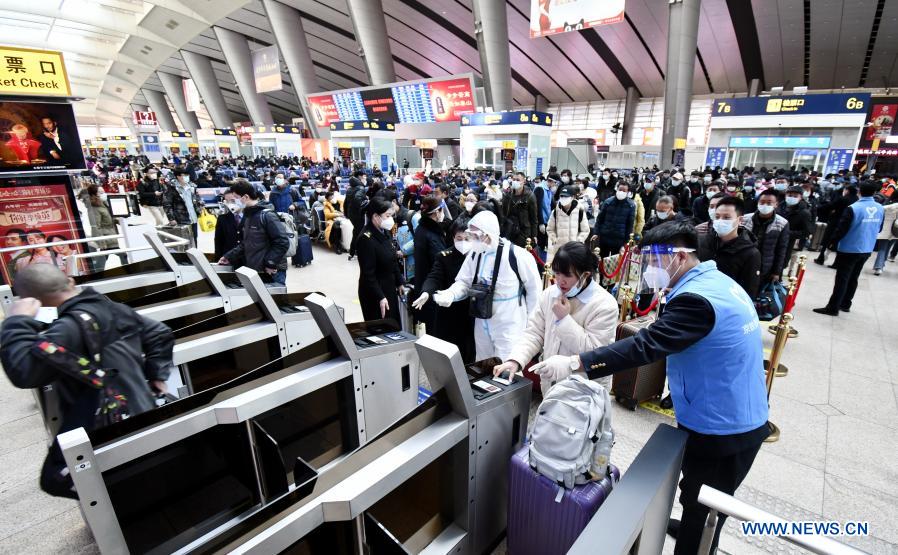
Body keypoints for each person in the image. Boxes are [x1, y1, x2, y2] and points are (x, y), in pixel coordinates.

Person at [530, 221, 768, 555]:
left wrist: (575, 363)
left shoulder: (697, 301)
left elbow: (644, 346)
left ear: (680, 257)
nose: (649, 270)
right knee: (696, 490)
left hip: (724, 424)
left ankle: (694, 542)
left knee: (705, 504)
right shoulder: (717, 282)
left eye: (654, 261)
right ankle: (690, 523)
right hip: (726, 406)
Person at [0, 263, 174, 498]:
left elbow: (24, 372)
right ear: (70, 281)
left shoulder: (69, 327)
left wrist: (17, 321)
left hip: (106, 421)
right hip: (140, 405)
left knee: (55, 479)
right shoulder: (113, 308)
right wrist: (156, 376)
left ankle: (117, 501)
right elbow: (160, 333)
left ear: (33, 301)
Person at [492, 241, 618, 396]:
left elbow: (593, 353)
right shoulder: (550, 294)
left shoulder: (604, 305)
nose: (560, 281)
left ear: (585, 274)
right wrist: (516, 360)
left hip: (585, 391)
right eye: (557, 273)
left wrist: (563, 320)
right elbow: (534, 333)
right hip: (551, 385)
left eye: (567, 275)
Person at [427, 210, 540, 360]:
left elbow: (535, 291)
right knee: (482, 365)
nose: (472, 240)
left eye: (475, 236)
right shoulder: (475, 254)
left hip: (509, 321)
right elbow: (464, 282)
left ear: (489, 234)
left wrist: (531, 326)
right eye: (471, 235)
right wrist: (451, 294)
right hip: (482, 319)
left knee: (506, 368)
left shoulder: (517, 255)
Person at [814, 181, 885, 316]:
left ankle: (833, 307)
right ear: (874, 193)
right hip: (867, 248)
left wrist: (832, 243)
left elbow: (842, 229)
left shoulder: (854, 208)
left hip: (849, 248)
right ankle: (846, 303)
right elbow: (880, 228)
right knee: (854, 277)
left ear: (859, 191)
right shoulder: (880, 208)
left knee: (842, 278)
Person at [414, 216, 476, 362]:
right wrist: (426, 292)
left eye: (467, 238)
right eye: (458, 238)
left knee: (471, 355)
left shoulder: (479, 257)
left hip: (472, 314)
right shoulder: (444, 256)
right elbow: (434, 277)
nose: (463, 242)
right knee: (448, 356)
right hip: (449, 313)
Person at [219, 180, 290, 285]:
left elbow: (282, 241)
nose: (233, 203)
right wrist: (229, 256)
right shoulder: (249, 215)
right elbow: (247, 243)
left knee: (274, 300)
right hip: (256, 269)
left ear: (246, 197)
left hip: (271, 271)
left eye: (235, 199)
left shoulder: (267, 215)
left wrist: (270, 263)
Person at [699, 196, 761, 298]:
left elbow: (749, 291)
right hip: (700, 298)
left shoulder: (750, 253)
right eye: (717, 217)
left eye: (727, 217)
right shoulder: (702, 241)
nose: (720, 221)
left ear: (740, 220)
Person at [356, 196, 404, 323]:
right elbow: (368, 274)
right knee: (381, 331)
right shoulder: (366, 239)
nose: (391, 220)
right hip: (374, 292)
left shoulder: (384, 231)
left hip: (388, 286)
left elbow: (391, 258)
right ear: (376, 217)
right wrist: (380, 297)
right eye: (387, 216)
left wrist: (399, 282)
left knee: (394, 326)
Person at [413, 196, 449, 332]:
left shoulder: (422, 228)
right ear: (436, 212)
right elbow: (439, 263)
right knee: (435, 329)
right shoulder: (431, 235)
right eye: (441, 210)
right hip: (431, 288)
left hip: (424, 283)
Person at [742, 189, 790, 284]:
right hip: (744, 263)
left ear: (776, 204)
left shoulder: (782, 223)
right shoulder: (745, 219)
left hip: (765, 267)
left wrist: (776, 272)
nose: (765, 205)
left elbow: (781, 249)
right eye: (762, 202)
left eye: (769, 203)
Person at [82, 185, 125, 272]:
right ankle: (130, 270)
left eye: (103, 191)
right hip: (105, 237)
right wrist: (101, 241)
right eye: (101, 192)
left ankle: (96, 273)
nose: (103, 194)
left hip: (110, 234)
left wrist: (117, 220)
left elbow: (107, 218)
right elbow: (95, 226)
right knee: (122, 255)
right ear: (94, 194)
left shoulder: (103, 203)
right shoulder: (93, 208)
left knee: (104, 257)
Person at [814, 184, 858, 266]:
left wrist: (818, 208)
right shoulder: (856, 200)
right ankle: (837, 263)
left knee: (827, 240)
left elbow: (831, 205)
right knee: (840, 242)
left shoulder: (843, 199)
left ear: (847, 190)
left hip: (835, 221)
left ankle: (821, 259)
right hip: (848, 224)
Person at [546, 185, 589, 261]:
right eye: (562, 196)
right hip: (558, 250)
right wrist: (554, 239)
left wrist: (578, 241)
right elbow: (549, 229)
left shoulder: (580, 211)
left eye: (566, 197)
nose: (563, 199)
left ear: (573, 197)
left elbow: (585, 230)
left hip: (574, 250)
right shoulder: (555, 211)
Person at [593, 182, 636, 257]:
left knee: (615, 262)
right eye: (620, 189)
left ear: (628, 192)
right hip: (605, 237)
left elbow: (630, 225)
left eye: (624, 190)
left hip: (619, 239)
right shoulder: (608, 202)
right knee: (602, 260)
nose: (621, 192)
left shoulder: (631, 205)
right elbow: (600, 219)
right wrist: (596, 232)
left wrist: (625, 242)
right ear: (617, 189)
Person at [163, 168, 203, 243]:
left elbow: (197, 199)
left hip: (193, 217)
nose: (187, 177)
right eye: (184, 175)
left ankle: (194, 253)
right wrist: (171, 218)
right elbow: (167, 204)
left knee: (194, 238)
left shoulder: (192, 186)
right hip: (180, 218)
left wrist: (200, 207)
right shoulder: (171, 188)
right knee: (184, 240)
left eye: (187, 175)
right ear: (178, 176)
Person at [778, 186, 814, 267]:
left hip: (788, 244)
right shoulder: (779, 207)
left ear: (800, 197)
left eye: (795, 196)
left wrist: (787, 233)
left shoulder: (804, 213)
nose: (791, 198)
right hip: (772, 241)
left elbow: (806, 232)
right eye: (789, 195)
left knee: (780, 266)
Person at [501, 172, 538, 248]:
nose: (515, 181)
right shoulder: (507, 195)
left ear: (523, 181)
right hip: (510, 229)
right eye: (514, 179)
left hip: (524, 232)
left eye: (518, 180)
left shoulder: (530, 196)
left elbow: (534, 217)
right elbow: (503, 213)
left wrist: (534, 235)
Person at [872, 193, 898, 275]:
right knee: (887, 248)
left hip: (885, 230)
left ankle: (879, 267)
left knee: (882, 249)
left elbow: (880, 209)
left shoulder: (889, 204)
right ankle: (881, 264)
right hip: (896, 231)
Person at [214, 190, 244, 260]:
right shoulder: (222, 218)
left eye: (232, 200)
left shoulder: (250, 217)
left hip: (247, 259)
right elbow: (218, 241)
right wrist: (218, 259)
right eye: (227, 201)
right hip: (229, 258)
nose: (230, 204)